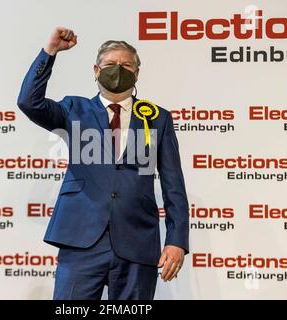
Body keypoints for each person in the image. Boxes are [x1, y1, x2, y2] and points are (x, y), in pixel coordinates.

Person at [17, 26, 189, 300]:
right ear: (96, 71)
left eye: (126, 65)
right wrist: (50, 51)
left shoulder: (158, 118)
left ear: (137, 73)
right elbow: (28, 101)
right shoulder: (74, 109)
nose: (118, 70)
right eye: (110, 65)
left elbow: (174, 186)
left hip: (137, 241)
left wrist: (177, 240)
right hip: (81, 241)